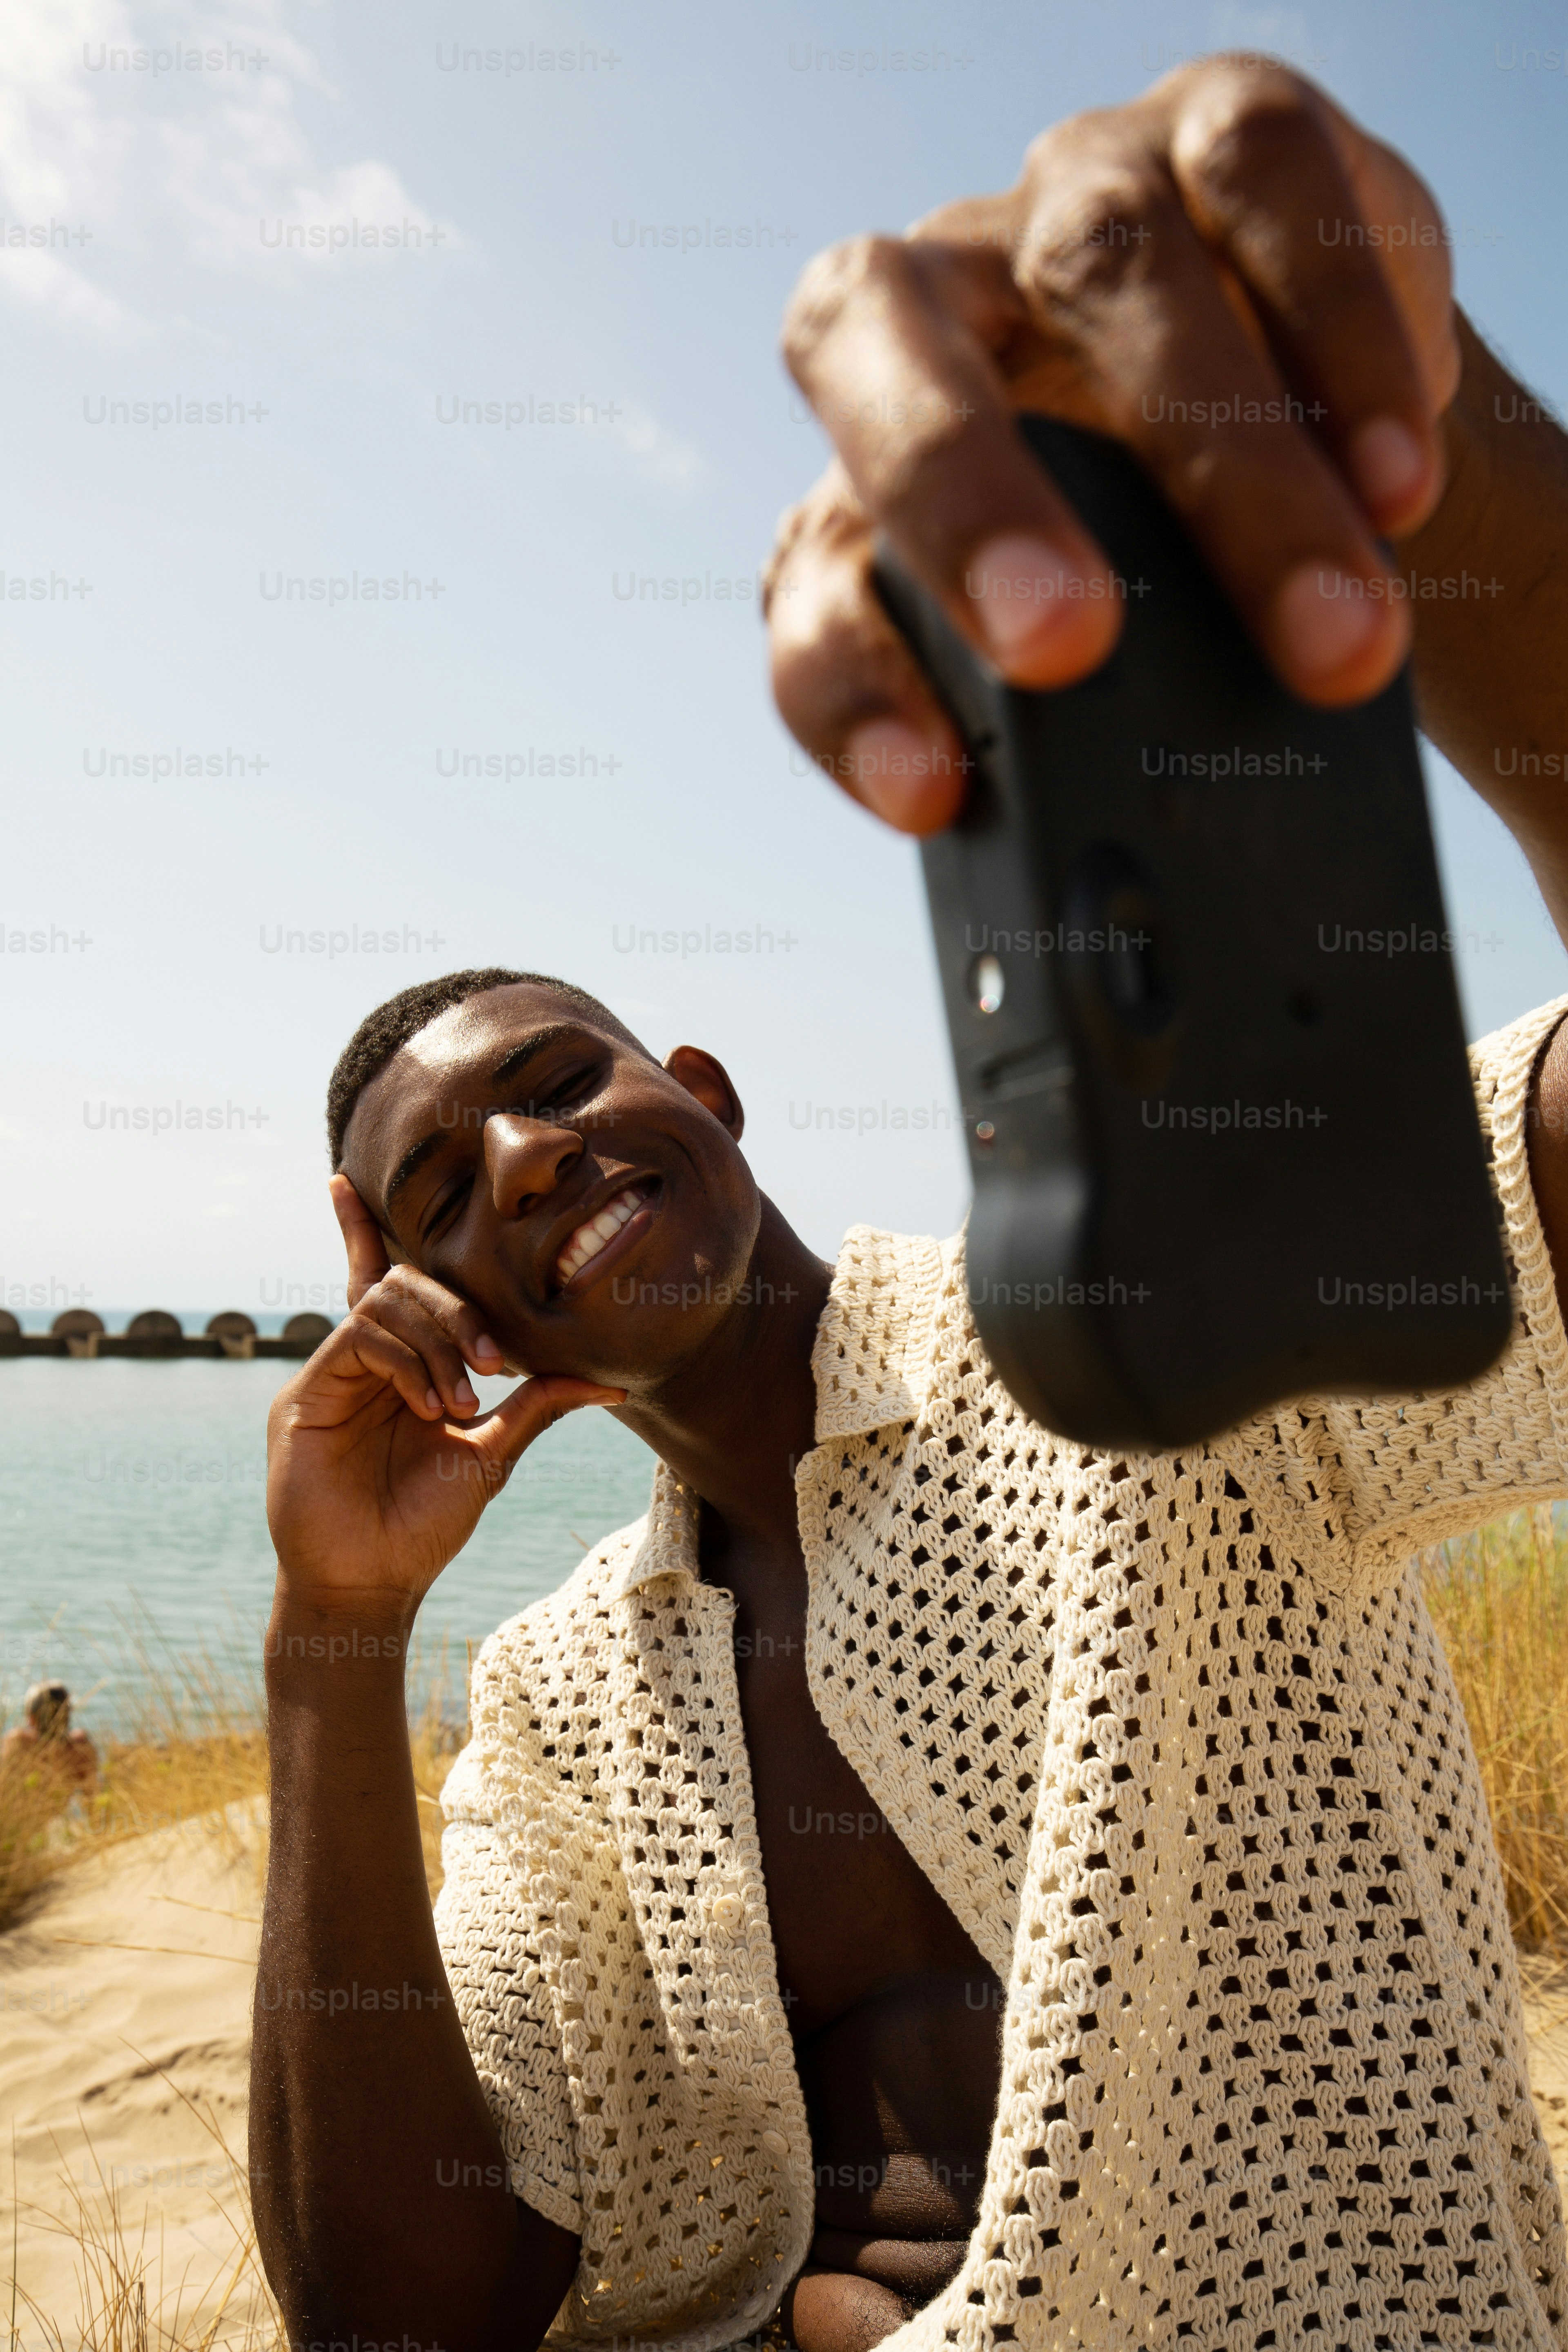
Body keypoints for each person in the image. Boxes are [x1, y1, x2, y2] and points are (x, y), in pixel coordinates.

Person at [251, 57, 1568, 2352]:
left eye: (560, 1087)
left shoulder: (1147, 1322)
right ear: (434, 1298)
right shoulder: (558, 1695)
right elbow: (407, 2305)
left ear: (704, 1093)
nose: (532, 1160)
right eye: (446, 1186)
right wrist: (328, 1636)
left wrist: (1427, 449)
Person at [2, 1682, 100, 1802]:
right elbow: (93, 1798)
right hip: (56, 1817)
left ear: (31, 1717)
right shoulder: (80, 1745)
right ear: (67, 1714)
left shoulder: (18, 1741)